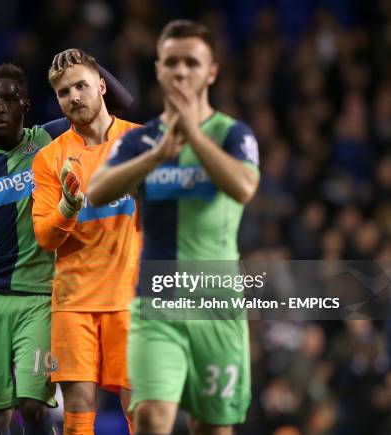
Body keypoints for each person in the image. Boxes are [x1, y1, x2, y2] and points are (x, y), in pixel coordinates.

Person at [0, 58, 133, 435]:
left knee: (33, 406)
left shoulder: (48, 140)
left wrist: (89, 65)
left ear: (26, 104)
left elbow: (120, 105)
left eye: (8, 99)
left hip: (41, 297)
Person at [88, 20, 260, 435]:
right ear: (159, 69)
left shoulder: (233, 134)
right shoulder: (138, 143)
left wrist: (193, 136)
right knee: (150, 418)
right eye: (172, 62)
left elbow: (243, 186)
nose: (181, 71)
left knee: (212, 428)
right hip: (157, 305)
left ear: (211, 72)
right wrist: (158, 155)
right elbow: (95, 191)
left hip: (217, 308)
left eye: (191, 62)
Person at [31, 49, 141, 435]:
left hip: (130, 299)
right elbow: (45, 236)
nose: (74, 96)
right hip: (73, 301)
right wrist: (67, 206)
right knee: (78, 410)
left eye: (81, 85)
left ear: (102, 85)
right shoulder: (49, 158)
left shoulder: (139, 142)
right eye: (64, 92)